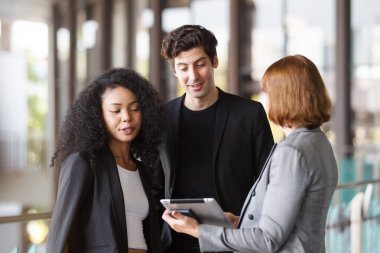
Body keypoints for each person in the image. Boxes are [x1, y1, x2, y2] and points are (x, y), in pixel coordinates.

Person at [162, 54, 339, 253]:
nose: (266, 99)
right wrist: (240, 222)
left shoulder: (292, 152)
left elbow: (267, 240)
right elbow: (290, 221)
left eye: (268, 93)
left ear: (285, 96)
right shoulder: (319, 142)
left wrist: (199, 231)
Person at [158, 24, 274, 252]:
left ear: (214, 61)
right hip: (176, 244)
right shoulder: (162, 119)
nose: (193, 76)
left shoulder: (249, 114)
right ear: (175, 71)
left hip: (233, 240)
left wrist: (246, 221)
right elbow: (154, 185)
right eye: (183, 68)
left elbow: (268, 183)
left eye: (200, 64)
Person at [46, 68, 165, 253]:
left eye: (134, 109)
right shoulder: (83, 163)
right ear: (98, 115)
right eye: (115, 110)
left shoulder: (141, 169)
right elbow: (61, 236)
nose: (127, 117)